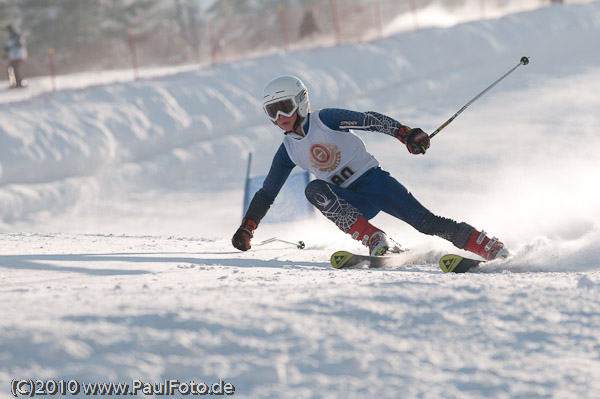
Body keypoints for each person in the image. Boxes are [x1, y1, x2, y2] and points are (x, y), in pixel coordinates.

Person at [232, 75, 509, 260]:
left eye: (285, 107)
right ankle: (375, 238)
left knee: (426, 223)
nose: (280, 117)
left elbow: (369, 120)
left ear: (301, 102)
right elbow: (267, 194)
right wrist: (248, 227)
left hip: (377, 184)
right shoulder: (287, 151)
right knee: (314, 188)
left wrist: (406, 134)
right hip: (350, 203)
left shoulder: (325, 119)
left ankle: (488, 246)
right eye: (273, 111)